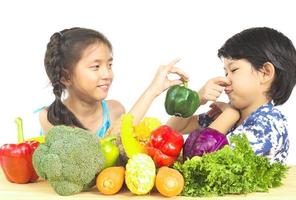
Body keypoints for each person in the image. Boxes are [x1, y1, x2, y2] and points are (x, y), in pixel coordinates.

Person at [167, 27, 296, 163]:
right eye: (225, 73)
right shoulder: (226, 114)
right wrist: (197, 99)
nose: (225, 80)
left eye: (234, 70)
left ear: (265, 73)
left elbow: (199, 161)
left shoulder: (268, 125)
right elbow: (172, 130)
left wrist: (230, 115)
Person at [39, 27, 188, 138]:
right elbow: (95, 155)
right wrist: (151, 91)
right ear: (66, 77)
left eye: (109, 65)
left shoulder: (114, 110)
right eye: (96, 67)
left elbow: (119, 143)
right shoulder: (50, 117)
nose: (107, 74)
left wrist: (155, 91)